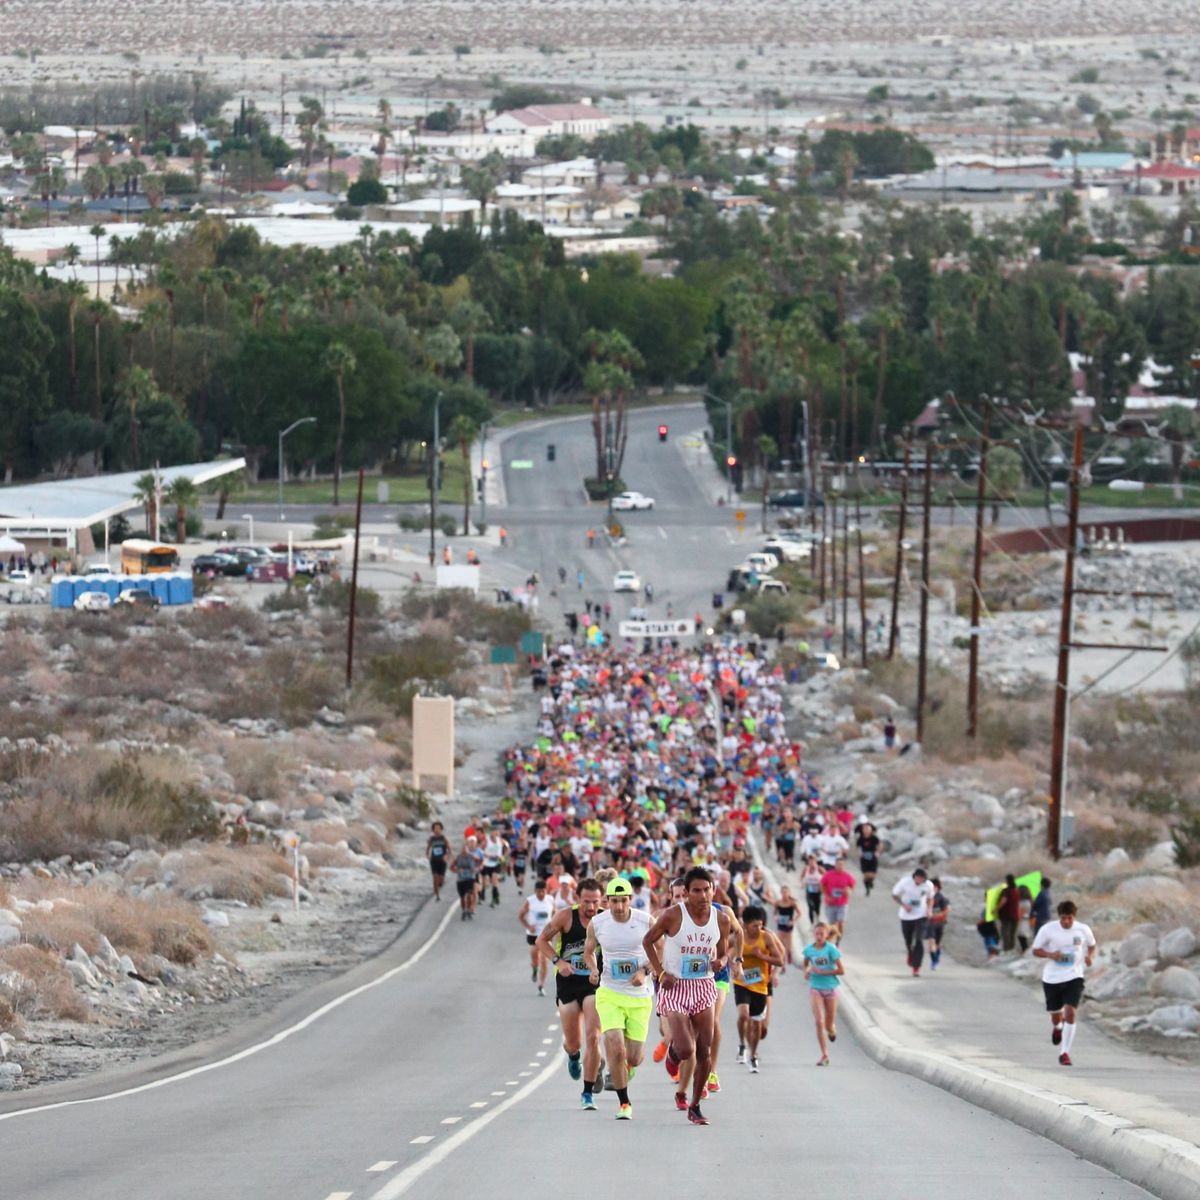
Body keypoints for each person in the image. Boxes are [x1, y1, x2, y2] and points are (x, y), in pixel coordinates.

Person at [642, 866, 734, 1125]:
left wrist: (721, 961)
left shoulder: (722, 919)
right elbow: (648, 941)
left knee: (704, 1048)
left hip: (704, 985)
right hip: (675, 987)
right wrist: (660, 973)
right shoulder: (672, 916)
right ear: (687, 893)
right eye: (696, 890)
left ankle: (695, 1106)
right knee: (685, 1048)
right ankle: (673, 1054)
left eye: (707, 889)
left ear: (713, 890)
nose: (702, 895)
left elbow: (723, 950)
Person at [584, 878, 653, 1120]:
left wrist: (644, 972)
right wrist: (593, 969)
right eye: (614, 901)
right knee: (614, 1044)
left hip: (639, 996)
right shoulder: (597, 923)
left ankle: (627, 1067)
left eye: (623, 901)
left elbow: (661, 953)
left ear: (630, 900)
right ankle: (624, 1103)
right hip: (610, 992)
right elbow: (589, 951)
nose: (619, 907)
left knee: (633, 1056)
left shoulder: (645, 921)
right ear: (607, 901)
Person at [536, 878, 605, 1109]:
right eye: (586, 902)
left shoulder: (606, 919)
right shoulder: (565, 917)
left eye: (595, 902)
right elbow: (541, 940)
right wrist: (558, 961)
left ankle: (587, 1093)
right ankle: (573, 1055)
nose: (591, 907)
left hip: (594, 983)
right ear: (577, 899)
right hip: (567, 983)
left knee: (593, 1037)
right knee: (574, 1042)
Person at [1031, 900, 1096, 1067]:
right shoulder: (1048, 930)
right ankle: (1058, 1027)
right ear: (1059, 916)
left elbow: (1092, 945)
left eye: (1070, 918)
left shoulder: (1083, 929)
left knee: (1070, 1012)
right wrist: (1050, 955)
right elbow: (1036, 950)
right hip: (1052, 978)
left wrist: (1090, 957)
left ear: (1074, 916)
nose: (1066, 921)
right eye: (1063, 918)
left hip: (1074, 976)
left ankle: (1064, 1052)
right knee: (1056, 1015)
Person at [733, 904, 784, 1074]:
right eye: (755, 925)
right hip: (741, 982)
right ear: (746, 925)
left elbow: (779, 960)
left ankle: (753, 1054)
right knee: (743, 1014)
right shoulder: (738, 936)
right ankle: (741, 1044)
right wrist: (731, 964)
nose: (758, 928)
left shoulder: (766, 938)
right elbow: (725, 951)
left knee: (756, 1025)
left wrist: (762, 956)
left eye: (760, 925)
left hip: (760, 985)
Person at [803, 922, 844, 1066]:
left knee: (828, 1025)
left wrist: (824, 972)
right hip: (815, 987)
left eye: (822, 934)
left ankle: (832, 1030)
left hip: (831, 988)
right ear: (814, 934)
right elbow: (806, 963)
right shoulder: (809, 950)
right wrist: (807, 971)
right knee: (819, 1021)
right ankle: (825, 1054)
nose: (819, 936)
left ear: (827, 935)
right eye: (817, 934)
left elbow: (841, 970)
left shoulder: (831, 949)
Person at [892, 867, 934, 976]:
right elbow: (894, 895)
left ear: (924, 879)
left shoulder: (928, 885)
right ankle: (910, 953)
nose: (919, 881)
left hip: (921, 916)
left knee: (919, 940)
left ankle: (916, 967)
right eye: (917, 878)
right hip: (906, 915)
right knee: (908, 941)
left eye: (921, 879)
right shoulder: (905, 882)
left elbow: (930, 898)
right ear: (914, 877)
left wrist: (929, 910)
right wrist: (903, 904)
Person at [519, 879, 556, 996]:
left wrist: (554, 926)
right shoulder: (530, 901)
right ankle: (534, 968)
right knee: (535, 956)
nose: (541, 894)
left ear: (546, 890)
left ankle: (541, 985)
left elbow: (555, 913)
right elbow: (521, 916)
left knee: (545, 961)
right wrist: (529, 926)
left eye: (543, 891)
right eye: (538, 891)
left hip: (546, 934)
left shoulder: (550, 899)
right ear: (535, 891)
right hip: (533, 934)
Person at [820, 857, 856, 941]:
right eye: (838, 864)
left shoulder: (847, 876)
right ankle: (830, 940)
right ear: (835, 865)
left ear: (844, 865)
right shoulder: (829, 874)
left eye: (842, 864)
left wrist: (848, 891)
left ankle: (838, 941)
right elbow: (822, 885)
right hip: (830, 903)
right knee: (832, 924)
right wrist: (827, 895)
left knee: (840, 922)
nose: (840, 866)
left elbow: (852, 887)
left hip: (842, 903)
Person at [453, 837, 481, 921]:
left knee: (469, 895)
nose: (464, 851)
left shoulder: (472, 857)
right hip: (460, 879)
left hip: (470, 878)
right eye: (463, 849)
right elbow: (451, 867)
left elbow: (480, 862)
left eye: (465, 849)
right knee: (462, 897)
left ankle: (469, 909)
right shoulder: (458, 857)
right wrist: (457, 870)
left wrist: (476, 869)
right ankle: (464, 911)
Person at [925, 877, 950, 969]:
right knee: (931, 942)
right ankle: (934, 960)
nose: (933, 889)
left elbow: (946, 910)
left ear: (938, 887)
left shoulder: (941, 898)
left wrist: (938, 915)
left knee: (937, 943)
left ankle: (937, 957)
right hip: (930, 923)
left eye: (935, 887)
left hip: (940, 923)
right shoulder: (925, 897)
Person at [481, 828, 507, 908]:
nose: (494, 834)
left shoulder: (501, 840)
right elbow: (480, 850)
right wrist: (487, 855)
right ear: (490, 833)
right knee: (487, 883)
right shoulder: (486, 841)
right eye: (492, 832)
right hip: (487, 864)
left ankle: (493, 900)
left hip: (496, 864)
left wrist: (503, 856)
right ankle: (491, 894)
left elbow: (507, 847)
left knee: (494, 881)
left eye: (495, 832)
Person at [426, 820, 449, 901]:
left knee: (441, 879)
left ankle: (439, 885)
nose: (437, 830)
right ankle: (437, 895)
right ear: (433, 830)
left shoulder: (444, 839)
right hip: (434, 860)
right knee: (435, 877)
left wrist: (447, 856)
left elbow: (448, 849)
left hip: (442, 861)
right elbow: (428, 848)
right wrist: (427, 855)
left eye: (438, 828)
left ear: (441, 829)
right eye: (435, 828)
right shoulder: (431, 839)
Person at [998, 874, 1021, 953]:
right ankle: (1012, 949)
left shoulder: (1006, 891)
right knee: (1012, 933)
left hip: (1006, 915)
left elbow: (1003, 901)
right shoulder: (1016, 891)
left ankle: (1006, 950)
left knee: (1006, 933)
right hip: (1015, 914)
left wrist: (996, 908)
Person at [856, 822, 880, 895]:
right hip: (864, 857)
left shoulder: (874, 838)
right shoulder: (860, 838)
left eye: (868, 829)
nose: (866, 830)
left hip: (873, 856)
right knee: (866, 875)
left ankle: (870, 881)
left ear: (870, 830)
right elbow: (857, 847)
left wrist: (877, 852)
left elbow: (879, 845)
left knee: (873, 875)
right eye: (865, 829)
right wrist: (859, 853)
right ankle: (867, 888)